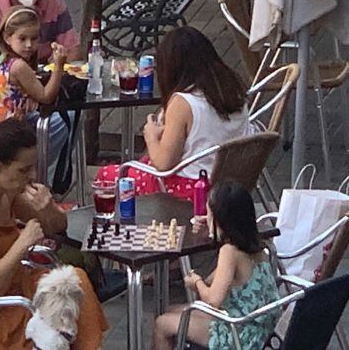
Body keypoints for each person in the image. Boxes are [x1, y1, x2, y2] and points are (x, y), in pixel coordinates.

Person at [0, 118, 108, 350]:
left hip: (14, 285)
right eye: (24, 170)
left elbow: (57, 227)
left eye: (33, 167)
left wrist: (47, 208)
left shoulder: (6, 190)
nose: (32, 175)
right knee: (55, 323)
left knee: (77, 282)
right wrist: (23, 242)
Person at [94, 27, 251, 200]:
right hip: (231, 186)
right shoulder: (233, 90)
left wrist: (151, 135)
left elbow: (164, 164)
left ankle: (117, 222)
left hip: (191, 188)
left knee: (108, 176)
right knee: (143, 163)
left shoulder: (183, 102)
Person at [152, 181, 280, 350]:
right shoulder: (256, 245)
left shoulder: (229, 252)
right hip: (258, 329)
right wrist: (211, 231)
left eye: (209, 214)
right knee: (171, 310)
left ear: (220, 220)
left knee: (162, 324)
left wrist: (196, 283)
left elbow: (213, 300)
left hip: (239, 334)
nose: (206, 217)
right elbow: (213, 282)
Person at [0, 6, 68, 122]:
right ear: (7, 38)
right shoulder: (18, 66)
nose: (29, 44)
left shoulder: (3, 59)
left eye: (34, 38)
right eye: (22, 39)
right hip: (5, 131)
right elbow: (46, 97)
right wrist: (59, 66)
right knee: (67, 119)